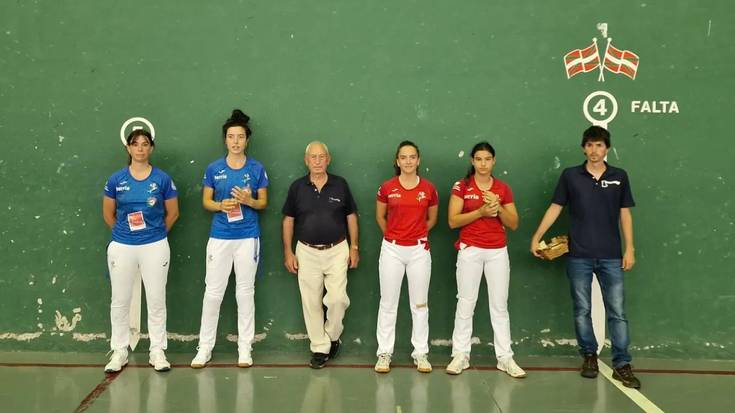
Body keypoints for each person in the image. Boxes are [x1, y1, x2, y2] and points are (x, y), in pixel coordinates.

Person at [530, 125, 640, 388]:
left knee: (618, 312)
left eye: (599, 145)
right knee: (582, 309)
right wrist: (537, 236)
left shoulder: (619, 176)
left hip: (611, 256)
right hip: (579, 255)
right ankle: (589, 356)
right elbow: (555, 207)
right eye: (590, 145)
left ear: (607, 148)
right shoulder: (570, 176)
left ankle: (622, 364)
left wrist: (630, 248)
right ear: (583, 148)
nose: (594, 150)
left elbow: (625, 214)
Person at [191, 109, 269, 369]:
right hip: (220, 237)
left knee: (245, 293)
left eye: (240, 137)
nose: (236, 141)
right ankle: (204, 348)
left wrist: (249, 200)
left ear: (247, 140)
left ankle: (245, 348)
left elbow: (263, 203)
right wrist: (219, 205)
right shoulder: (214, 168)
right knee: (213, 293)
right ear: (225, 140)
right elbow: (206, 201)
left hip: (248, 238)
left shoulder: (257, 168)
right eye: (231, 137)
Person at [445, 141, 526, 378]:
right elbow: (452, 221)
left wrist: (498, 207)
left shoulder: (502, 188)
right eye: (479, 159)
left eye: (487, 159)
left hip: (497, 252)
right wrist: (480, 211)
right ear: (472, 161)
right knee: (465, 303)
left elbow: (514, 223)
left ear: (494, 161)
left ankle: (505, 358)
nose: (483, 164)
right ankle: (460, 355)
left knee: (499, 306)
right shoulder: (462, 186)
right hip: (470, 250)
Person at [102, 129, 179, 373]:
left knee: (156, 299)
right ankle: (119, 351)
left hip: (155, 245)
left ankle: (157, 351)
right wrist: (125, 235)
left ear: (151, 148)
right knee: (119, 300)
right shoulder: (116, 180)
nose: (140, 148)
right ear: (128, 148)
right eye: (135, 144)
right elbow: (108, 213)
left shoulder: (162, 179)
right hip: (122, 246)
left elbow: (173, 213)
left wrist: (154, 236)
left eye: (145, 144)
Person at [282, 141, 360, 369]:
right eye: (313, 157)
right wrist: (288, 251)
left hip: (337, 250)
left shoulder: (340, 185)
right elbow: (288, 220)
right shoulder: (297, 187)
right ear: (306, 161)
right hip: (306, 251)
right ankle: (319, 347)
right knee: (311, 302)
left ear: (328, 159)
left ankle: (332, 336)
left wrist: (354, 247)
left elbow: (351, 216)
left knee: (337, 299)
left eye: (321, 157)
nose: (317, 161)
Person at [373, 141, 438, 374]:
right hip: (392, 250)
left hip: (419, 251)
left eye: (412, 157)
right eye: (403, 157)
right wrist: (394, 236)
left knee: (420, 304)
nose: (408, 161)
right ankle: (384, 353)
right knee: (388, 303)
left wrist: (415, 235)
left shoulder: (429, 189)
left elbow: (432, 219)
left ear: (418, 160)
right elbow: (380, 216)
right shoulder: (387, 187)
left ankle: (420, 353)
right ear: (397, 161)